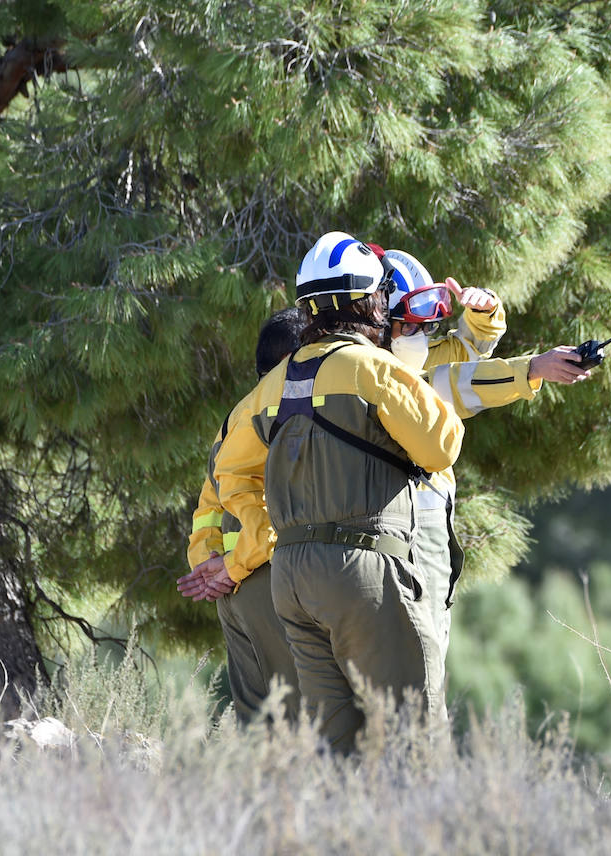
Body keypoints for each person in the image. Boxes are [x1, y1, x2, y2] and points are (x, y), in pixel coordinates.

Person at [214, 232, 466, 753]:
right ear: (369, 301)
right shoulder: (373, 368)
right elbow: (443, 445)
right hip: (365, 571)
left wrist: (257, 538)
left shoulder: (272, 384)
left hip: (292, 580)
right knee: (410, 739)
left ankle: (337, 834)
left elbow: (229, 470)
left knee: (336, 751)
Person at [379, 250, 592, 717]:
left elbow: (466, 352)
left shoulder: (391, 355)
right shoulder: (382, 378)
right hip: (410, 538)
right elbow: (455, 382)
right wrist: (533, 369)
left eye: (425, 324)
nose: (421, 334)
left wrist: (484, 310)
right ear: (378, 318)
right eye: (410, 323)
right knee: (418, 683)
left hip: (405, 539)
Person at [177, 306, 307, 723]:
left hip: (231, 594)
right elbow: (268, 517)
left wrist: (205, 565)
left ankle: (253, 792)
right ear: (294, 358)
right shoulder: (283, 412)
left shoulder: (235, 414)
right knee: (301, 719)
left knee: (258, 724)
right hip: (265, 578)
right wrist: (230, 568)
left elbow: (207, 507)